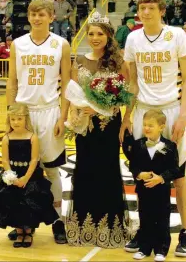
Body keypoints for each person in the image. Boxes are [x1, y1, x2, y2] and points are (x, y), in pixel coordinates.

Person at [120, 0, 186, 257]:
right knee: (143, 176)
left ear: (162, 10)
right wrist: (126, 116)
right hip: (142, 111)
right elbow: (132, 83)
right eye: (142, 8)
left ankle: (185, 231)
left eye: (151, 8)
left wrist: (182, 115)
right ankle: (145, 230)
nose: (146, 12)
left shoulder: (176, 35)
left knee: (178, 175)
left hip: (170, 109)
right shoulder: (132, 38)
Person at [6, 0, 71, 244]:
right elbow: (11, 81)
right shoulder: (18, 44)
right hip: (23, 112)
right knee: (23, 170)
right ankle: (26, 220)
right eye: (33, 14)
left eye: (41, 14)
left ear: (51, 17)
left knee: (52, 170)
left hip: (50, 111)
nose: (36, 18)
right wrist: (9, 114)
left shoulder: (61, 44)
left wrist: (63, 116)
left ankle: (57, 221)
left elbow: (67, 83)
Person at [65, 12, 129, 248]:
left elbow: (127, 95)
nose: (94, 37)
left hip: (108, 126)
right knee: (85, 169)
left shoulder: (119, 61)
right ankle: (84, 227)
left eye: (99, 34)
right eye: (91, 33)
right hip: (85, 126)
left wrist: (103, 109)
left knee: (107, 170)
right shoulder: (79, 60)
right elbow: (72, 93)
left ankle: (109, 227)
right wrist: (75, 115)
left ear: (108, 35)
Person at [0, 103, 59, 248]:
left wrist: (25, 178)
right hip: (13, 176)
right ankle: (19, 232)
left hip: (29, 176)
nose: (16, 122)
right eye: (13, 119)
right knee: (13, 202)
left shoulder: (32, 137)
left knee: (28, 203)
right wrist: (11, 177)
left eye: (19, 119)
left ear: (26, 119)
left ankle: (28, 232)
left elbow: (34, 160)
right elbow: (5, 160)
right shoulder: (7, 138)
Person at [130, 109, 180, 261]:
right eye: (145, 125)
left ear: (161, 126)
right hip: (144, 191)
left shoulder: (170, 146)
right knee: (145, 217)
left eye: (151, 125)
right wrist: (139, 174)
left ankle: (161, 248)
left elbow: (175, 170)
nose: (147, 128)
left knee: (162, 219)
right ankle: (145, 247)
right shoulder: (138, 145)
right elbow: (133, 165)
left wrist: (161, 178)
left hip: (161, 191)